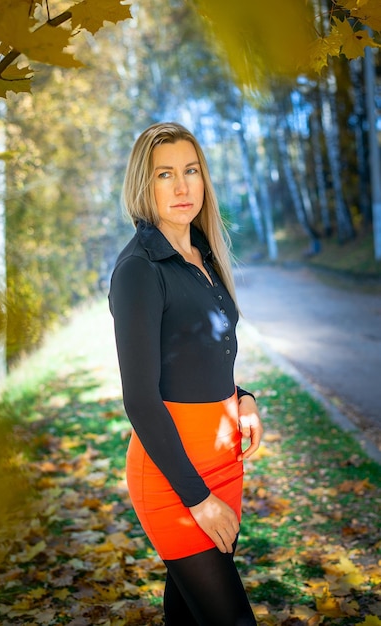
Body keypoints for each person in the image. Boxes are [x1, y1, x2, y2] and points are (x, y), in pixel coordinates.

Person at [109, 122, 263, 626]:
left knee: (189, 617)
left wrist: (244, 397)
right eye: (165, 174)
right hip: (175, 477)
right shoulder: (139, 270)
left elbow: (203, 356)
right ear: (143, 185)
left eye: (191, 171)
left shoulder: (203, 255)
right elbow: (141, 400)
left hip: (224, 464)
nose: (182, 187)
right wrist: (197, 500)